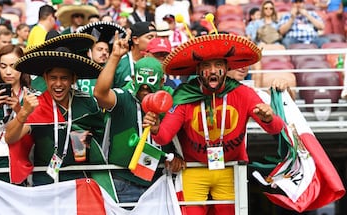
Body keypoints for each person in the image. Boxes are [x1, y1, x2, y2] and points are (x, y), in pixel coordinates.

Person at [143, 33, 285, 215]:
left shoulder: (243, 93)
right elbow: (164, 137)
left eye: (218, 65)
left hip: (229, 169)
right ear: (197, 70)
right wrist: (155, 128)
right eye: (206, 65)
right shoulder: (184, 96)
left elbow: (276, 127)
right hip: (194, 169)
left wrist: (268, 118)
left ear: (227, 68)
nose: (212, 71)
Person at [93, 31, 185, 204]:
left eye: (150, 85)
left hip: (159, 180)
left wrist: (177, 157)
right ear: (134, 78)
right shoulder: (123, 97)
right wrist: (114, 56)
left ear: (162, 81)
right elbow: (99, 93)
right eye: (140, 84)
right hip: (123, 181)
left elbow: (181, 133)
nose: (145, 90)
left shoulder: (171, 101)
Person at [4, 34, 107, 186]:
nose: (58, 84)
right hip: (45, 181)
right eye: (53, 77)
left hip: (80, 178)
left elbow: (102, 135)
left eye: (64, 78)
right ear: (45, 78)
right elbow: (10, 138)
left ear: (73, 79)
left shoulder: (87, 103)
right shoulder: (35, 104)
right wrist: (23, 113)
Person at [0, 44, 31, 183]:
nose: (8, 71)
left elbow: (34, 133)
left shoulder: (32, 97)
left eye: (13, 65)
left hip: (19, 170)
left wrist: (19, 110)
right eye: (3, 66)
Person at [77, 21, 127, 95]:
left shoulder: (115, 71)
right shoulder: (79, 70)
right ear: (89, 52)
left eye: (107, 50)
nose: (104, 53)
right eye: (100, 49)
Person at [113, 21, 156, 88]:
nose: (155, 41)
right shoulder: (119, 63)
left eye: (156, 37)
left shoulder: (156, 62)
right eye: (150, 37)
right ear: (136, 40)